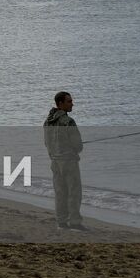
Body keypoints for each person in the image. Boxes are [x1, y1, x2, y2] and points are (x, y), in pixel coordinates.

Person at [44, 91, 87, 231]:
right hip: (68, 161)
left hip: (55, 162)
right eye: (69, 101)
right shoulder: (68, 121)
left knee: (60, 193)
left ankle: (61, 222)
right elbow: (78, 145)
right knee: (74, 192)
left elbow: (47, 143)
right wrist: (74, 149)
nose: (72, 103)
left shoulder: (47, 122)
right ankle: (74, 222)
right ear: (60, 104)